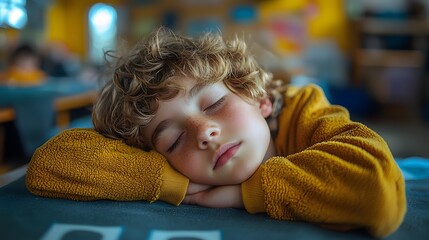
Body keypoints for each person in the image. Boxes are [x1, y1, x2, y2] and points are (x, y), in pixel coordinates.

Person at [26, 27, 406, 238]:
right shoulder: (167, 168)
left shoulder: (304, 108)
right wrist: (165, 180)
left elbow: (376, 193)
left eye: (213, 105)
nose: (203, 132)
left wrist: (244, 194)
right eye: (173, 141)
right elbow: (49, 165)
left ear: (258, 99)